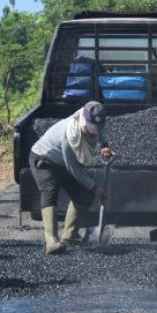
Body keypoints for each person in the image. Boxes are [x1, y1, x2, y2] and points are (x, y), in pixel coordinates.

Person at [29, 101, 114, 254]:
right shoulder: (69, 135)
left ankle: (68, 237)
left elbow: (100, 132)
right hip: (44, 158)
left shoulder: (95, 123)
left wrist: (105, 146)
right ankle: (51, 241)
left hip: (62, 162)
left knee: (84, 192)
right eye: (91, 128)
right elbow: (73, 169)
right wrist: (96, 188)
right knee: (50, 190)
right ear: (83, 120)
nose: (93, 132)